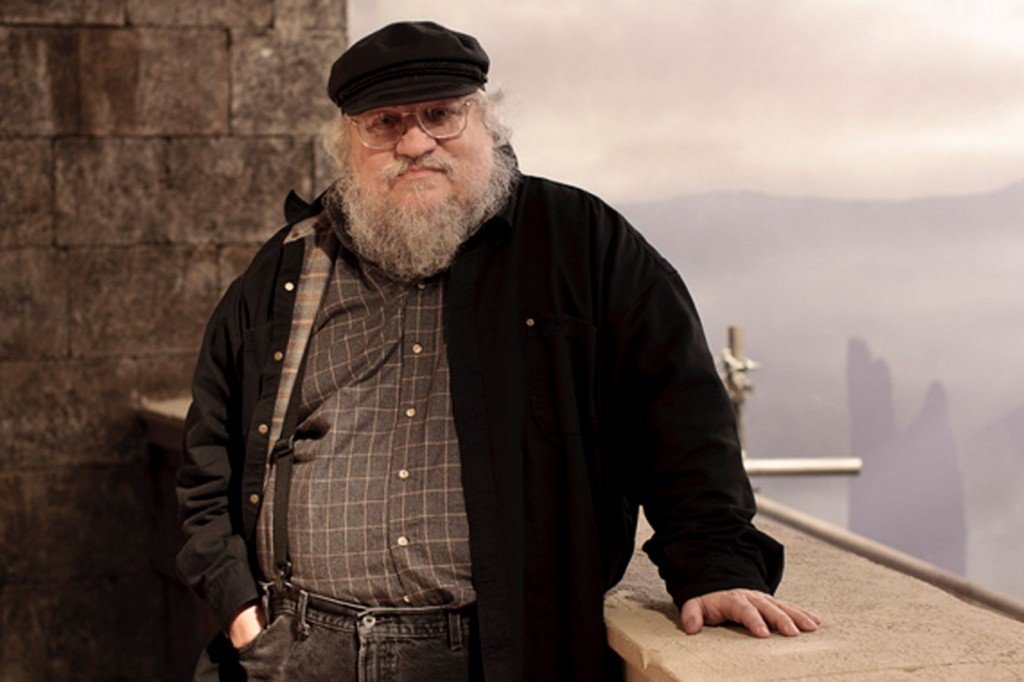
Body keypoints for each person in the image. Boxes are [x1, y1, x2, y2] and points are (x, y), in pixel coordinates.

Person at [176, 20, 819, 681]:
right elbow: (209, 454)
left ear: (487, 121)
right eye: (385, 123)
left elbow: (679, 414)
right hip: (295, 653)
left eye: (440, 115)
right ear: (347, 144)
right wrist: (240, 612)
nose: (415, 143)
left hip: (495, 656)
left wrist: (716, 566)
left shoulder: (581, 243)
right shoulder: (287, 268)